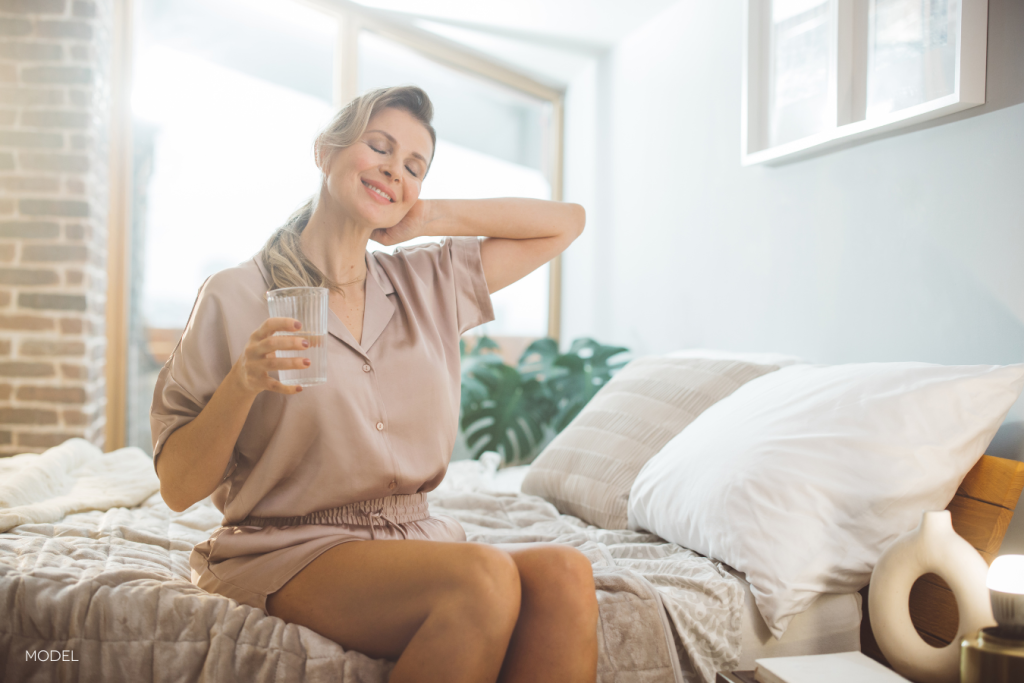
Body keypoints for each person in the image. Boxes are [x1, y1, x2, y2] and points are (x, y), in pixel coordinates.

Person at [150, 85, 597, 683]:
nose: (394, 169)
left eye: (414, 165)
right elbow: (179, 488)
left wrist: (426, 214)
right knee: (483, 580)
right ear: (325, 152)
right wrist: (243, 381)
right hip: (291, 545)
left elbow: (566, 223)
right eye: (378, 148)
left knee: (567, 575)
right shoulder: (235, 295)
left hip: (412, 534)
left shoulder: (429, 280)